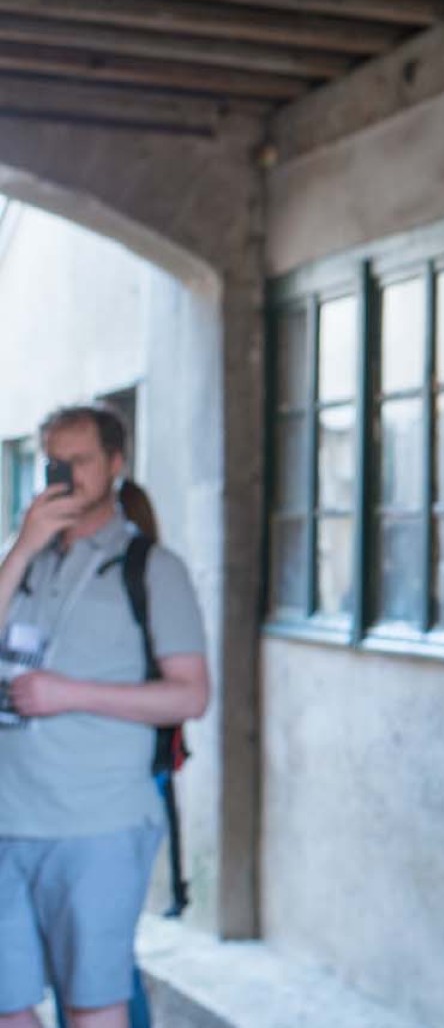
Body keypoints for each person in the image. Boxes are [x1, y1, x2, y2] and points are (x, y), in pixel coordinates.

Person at [0, 405, 209, 1028]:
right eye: (53, 463)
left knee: (92, 1007)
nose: (65, 476)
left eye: (81, 461)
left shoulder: (152, 568)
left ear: (115, 464)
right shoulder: (23, 562)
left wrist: (72, 693)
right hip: (9, 816)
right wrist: (23, 546)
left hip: (97, 822)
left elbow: (191, 697)